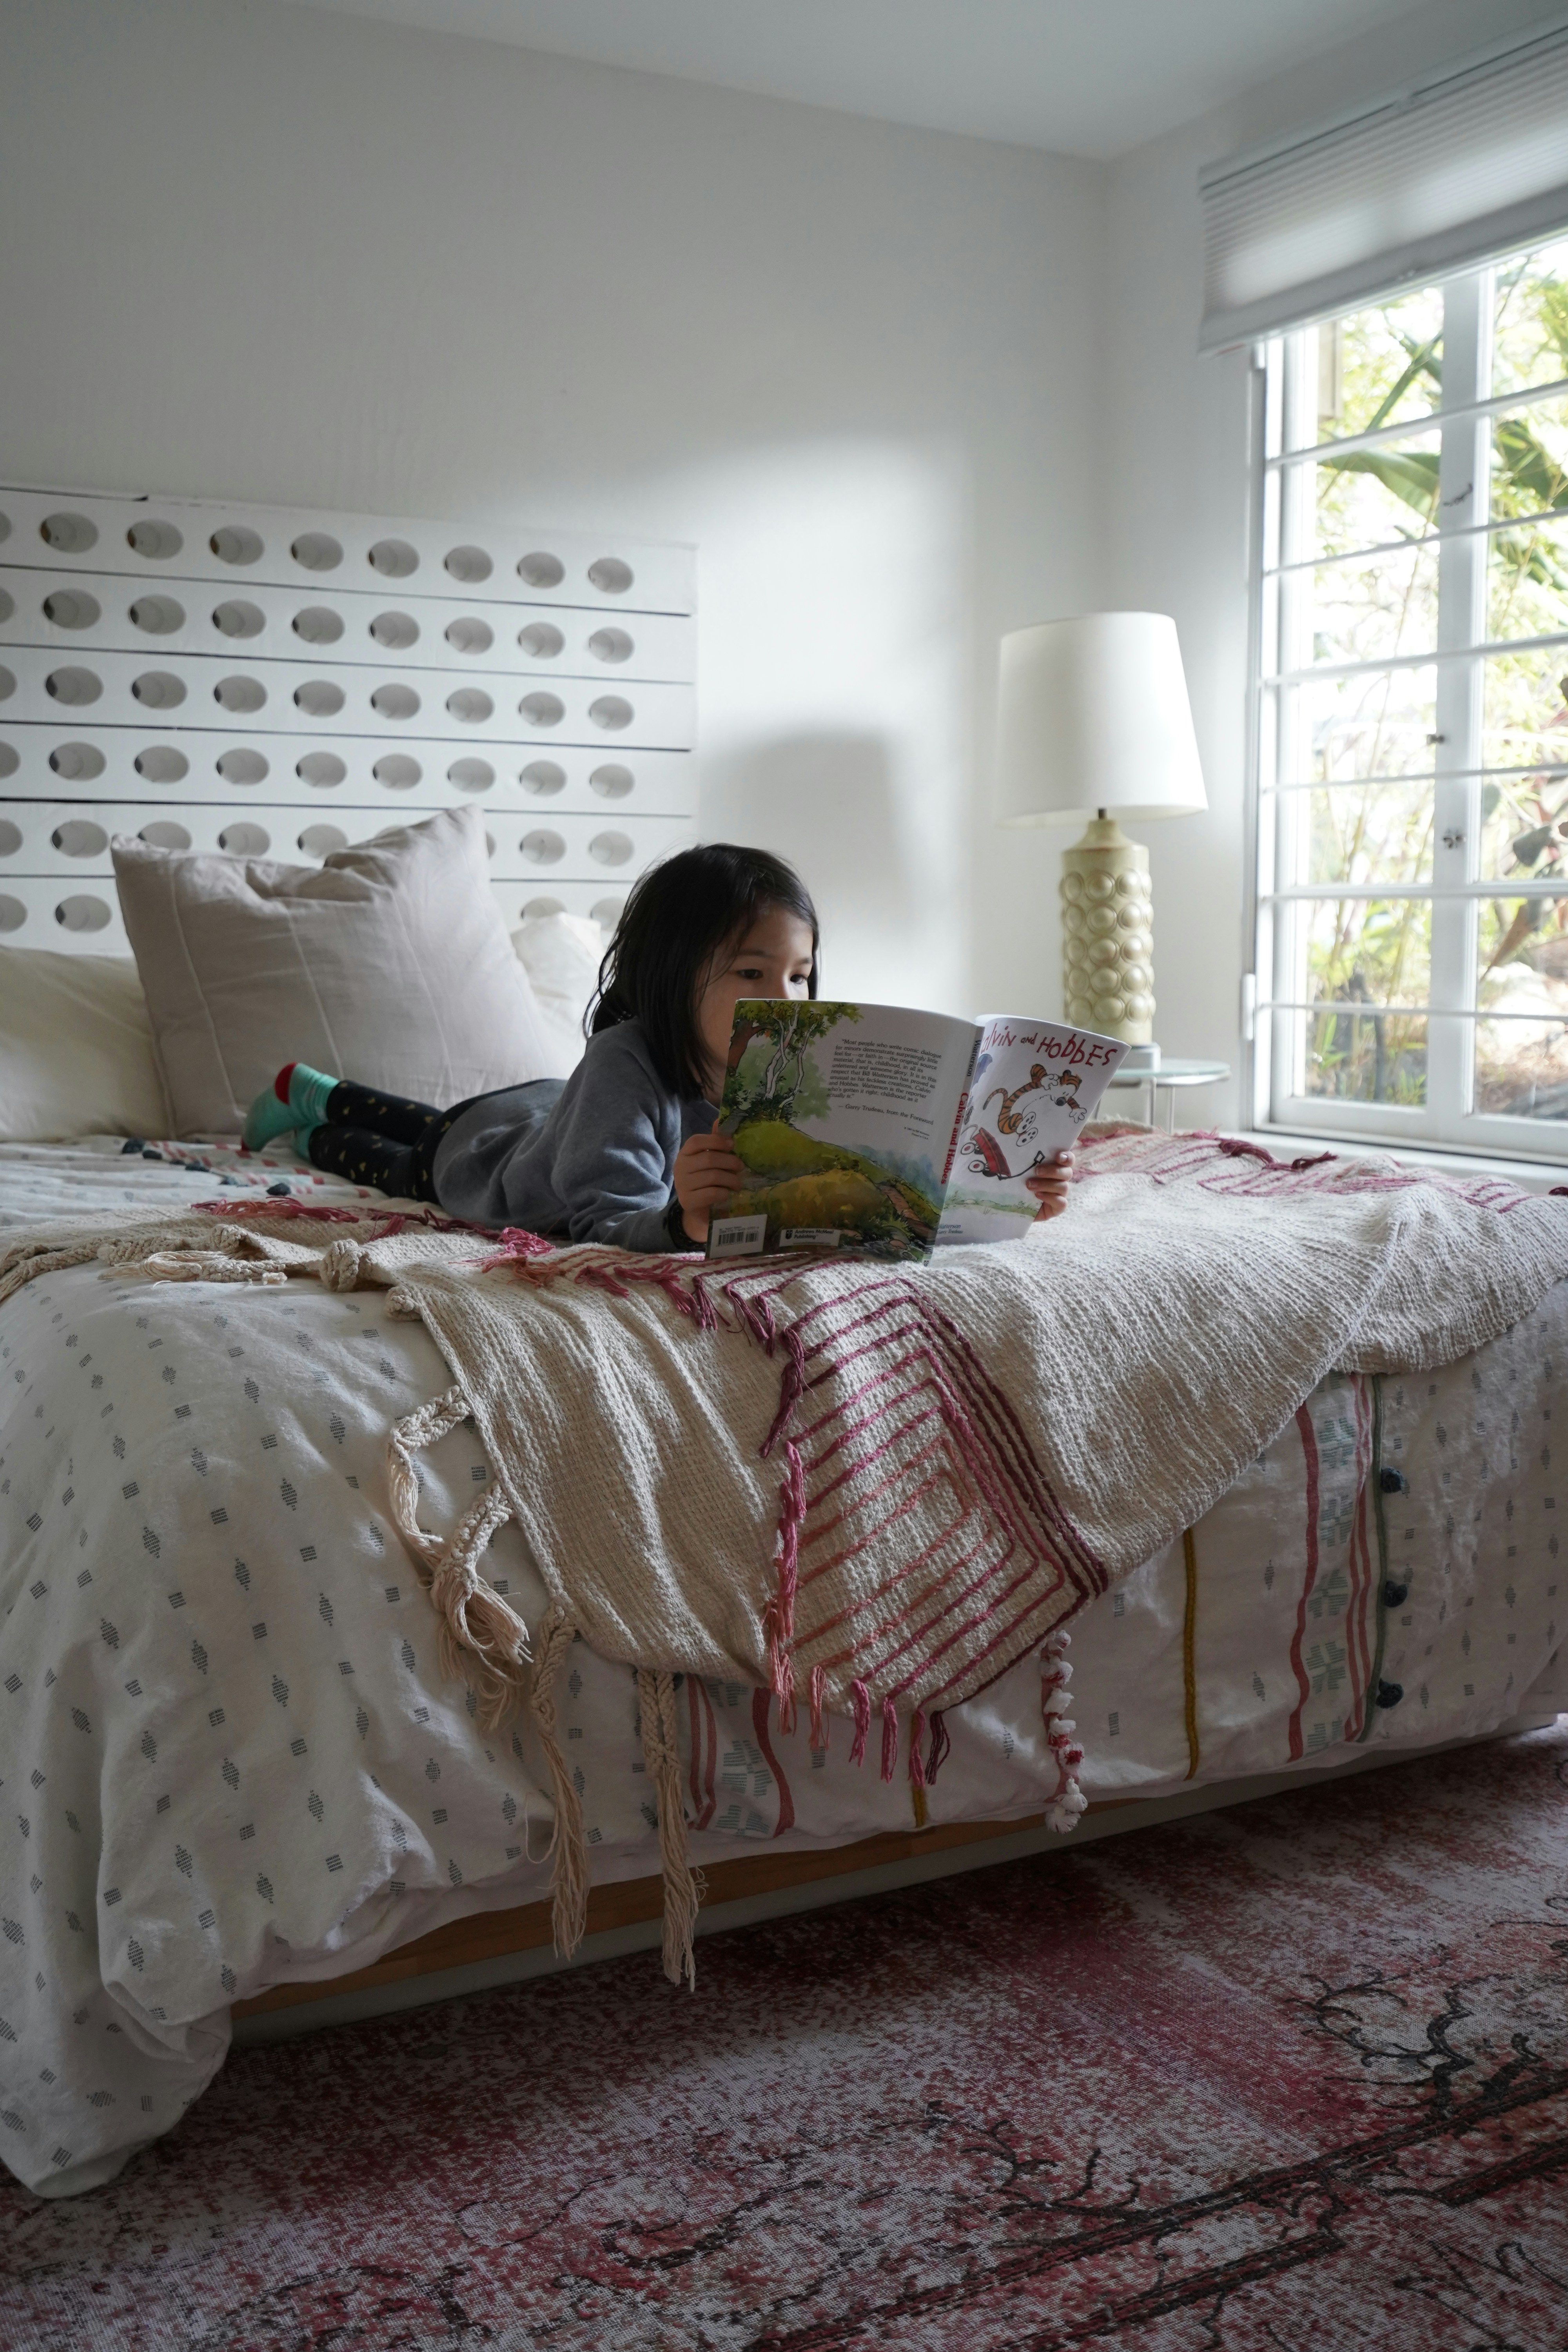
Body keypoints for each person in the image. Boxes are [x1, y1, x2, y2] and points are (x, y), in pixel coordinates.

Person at [241, 842, 1074, 1247]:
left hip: (542, 1109)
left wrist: (1001, 1187)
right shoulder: (625, 1062)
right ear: (675, 975)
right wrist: (680, 1223)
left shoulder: (793, 1078)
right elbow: (599, 1218)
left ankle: (314, 1093)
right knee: (404, 1153)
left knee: (421, 1124)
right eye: (751, 973)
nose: (781, 1001)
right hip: (490, 1159)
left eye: (798, 977)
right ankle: (308, 1106)